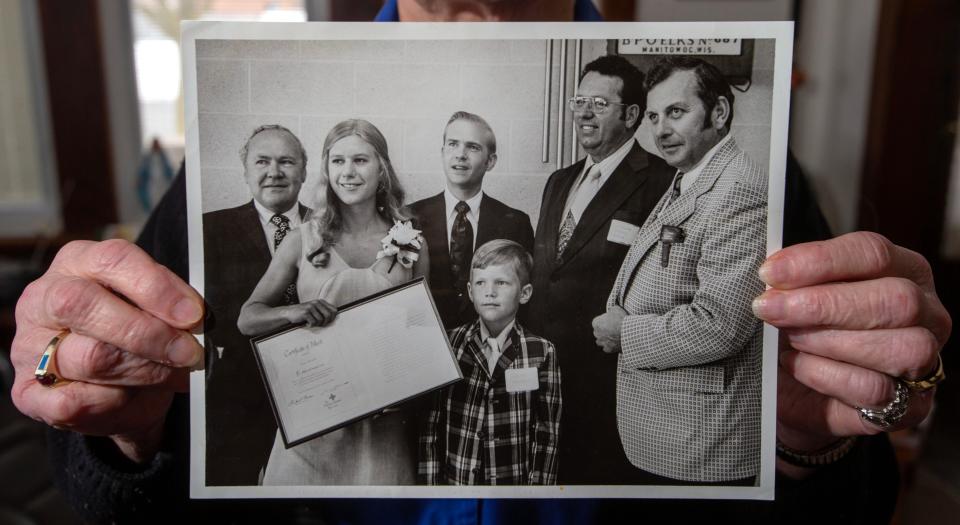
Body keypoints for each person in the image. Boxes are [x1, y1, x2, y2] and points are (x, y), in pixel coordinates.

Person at [8, 0, 950, 522]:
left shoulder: (728, 173)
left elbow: (841, 492)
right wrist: (107, 421)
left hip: (601, 439)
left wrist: (820, 434)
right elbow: (137, 480)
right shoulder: (282, 210)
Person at [593, 57, 764, 484]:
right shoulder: (691, 176)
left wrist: (624, 333)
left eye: (676, 112)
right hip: (665, 431)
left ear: (719, 113)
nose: (661, 130)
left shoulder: (737, 192)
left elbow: (719, 325)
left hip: (697, 445)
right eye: (653, 116)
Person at [236, 118, 429, 485]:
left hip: (382, 430)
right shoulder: (302, 237)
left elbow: (422, 330)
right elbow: (248, 318)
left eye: (360, 160)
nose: (348, 172)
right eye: (337, 161)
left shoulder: (411, 241)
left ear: (382, 169)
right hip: (314, 426)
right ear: (325, 168)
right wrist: (295, 312)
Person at [528, 55, 674, 484]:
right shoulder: (559, 180)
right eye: (579, 101)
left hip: (608, 379)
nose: (584, 113)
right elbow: (547, 273)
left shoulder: (662, 181)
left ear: (631, 115)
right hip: (544, 371)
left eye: (598, 103)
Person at [203, 124, 311, 486]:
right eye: (262, 161)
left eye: (287, 161)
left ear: (304, 171)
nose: (274, 172)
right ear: (246, 172)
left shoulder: (329, 227)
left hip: (316, 384)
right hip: (240, 393)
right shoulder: (210, 230)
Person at [419, 240, 560, 485]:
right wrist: (433, 492)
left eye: (501, 283)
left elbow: (547, 435)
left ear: (525, 293)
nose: (490, 291)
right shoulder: (449, 344)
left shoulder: (542, 352)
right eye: (481, 283)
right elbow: (431, 426)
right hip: (457, 486)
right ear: (471, 291)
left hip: (513, 492)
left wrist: (538, 496)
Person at [410, 111, 534, 329]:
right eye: (453, 144)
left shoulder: (515, 223)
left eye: (473, 147)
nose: (460, 154)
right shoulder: (410, 218)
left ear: (490, 161)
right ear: (442, 152)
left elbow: (524, 303)